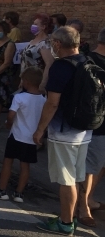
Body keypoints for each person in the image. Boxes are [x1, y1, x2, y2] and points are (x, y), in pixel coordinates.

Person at [33, 26, 92, 235]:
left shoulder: (61, 67)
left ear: (58, 44)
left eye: (52, 43)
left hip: (64, 131)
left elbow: (52, 103)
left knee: (65, 180)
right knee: (75, 177)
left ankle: (66, 223)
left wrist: (40, 129)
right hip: (85, 130)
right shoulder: (87, 61)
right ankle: (70, 217)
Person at [0, 67, 45, 203]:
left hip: (16, 135)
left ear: (26, 82)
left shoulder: (19, 97)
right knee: (25, 166)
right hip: (31, 138)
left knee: (8, 162)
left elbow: (11, 114)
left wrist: (8, 123)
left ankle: (2, 190)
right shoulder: (43, 100)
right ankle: (19, 193)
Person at [78, 28, 105, 227]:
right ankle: (82, 207)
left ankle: (89, 198)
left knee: (100, 163)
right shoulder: (89, 62)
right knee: (91, 165)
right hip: (96, 123)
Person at [20, 14, 55, 92]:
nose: (33, 26)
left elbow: (49, 64)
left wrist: (43, 83)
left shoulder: (45, 43)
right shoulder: (32, 41)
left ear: (43, 27)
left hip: (36, 83)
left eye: (36, 24)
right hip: (27, 81)